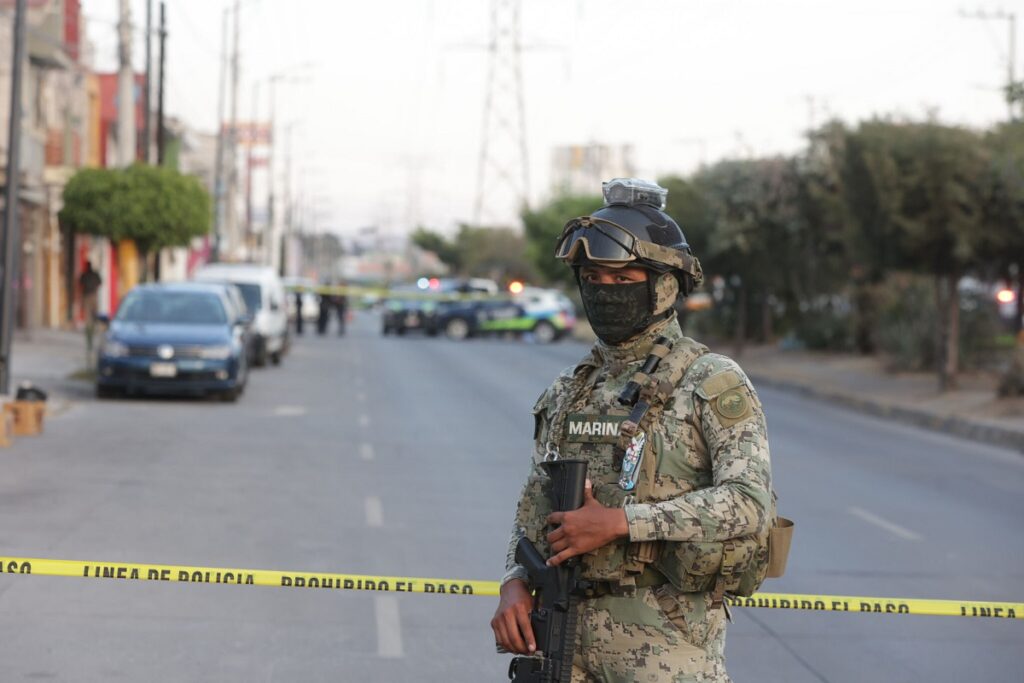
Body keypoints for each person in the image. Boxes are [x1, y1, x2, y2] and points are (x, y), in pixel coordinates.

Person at [491, 179, 773, 682]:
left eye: (623, 279)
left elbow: (749, 503)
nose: (605, 292)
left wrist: (621, 524)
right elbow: (534, 501)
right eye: (594, 278)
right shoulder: (570, 389)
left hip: (666, 649)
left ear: (664, 284)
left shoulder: (709, 380)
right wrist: (513, 581)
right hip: (562, 638)